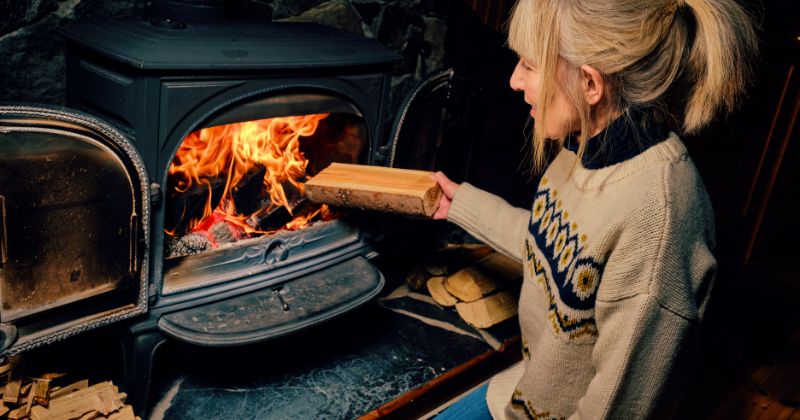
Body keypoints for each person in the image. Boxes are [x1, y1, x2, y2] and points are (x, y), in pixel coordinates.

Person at [431, 0, 758, 418]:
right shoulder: (583, 144)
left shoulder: (657, 226)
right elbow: (553, 252)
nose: (514, 80)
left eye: (530, 65)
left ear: (590, 84)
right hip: (523, 395)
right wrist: (460, 204)